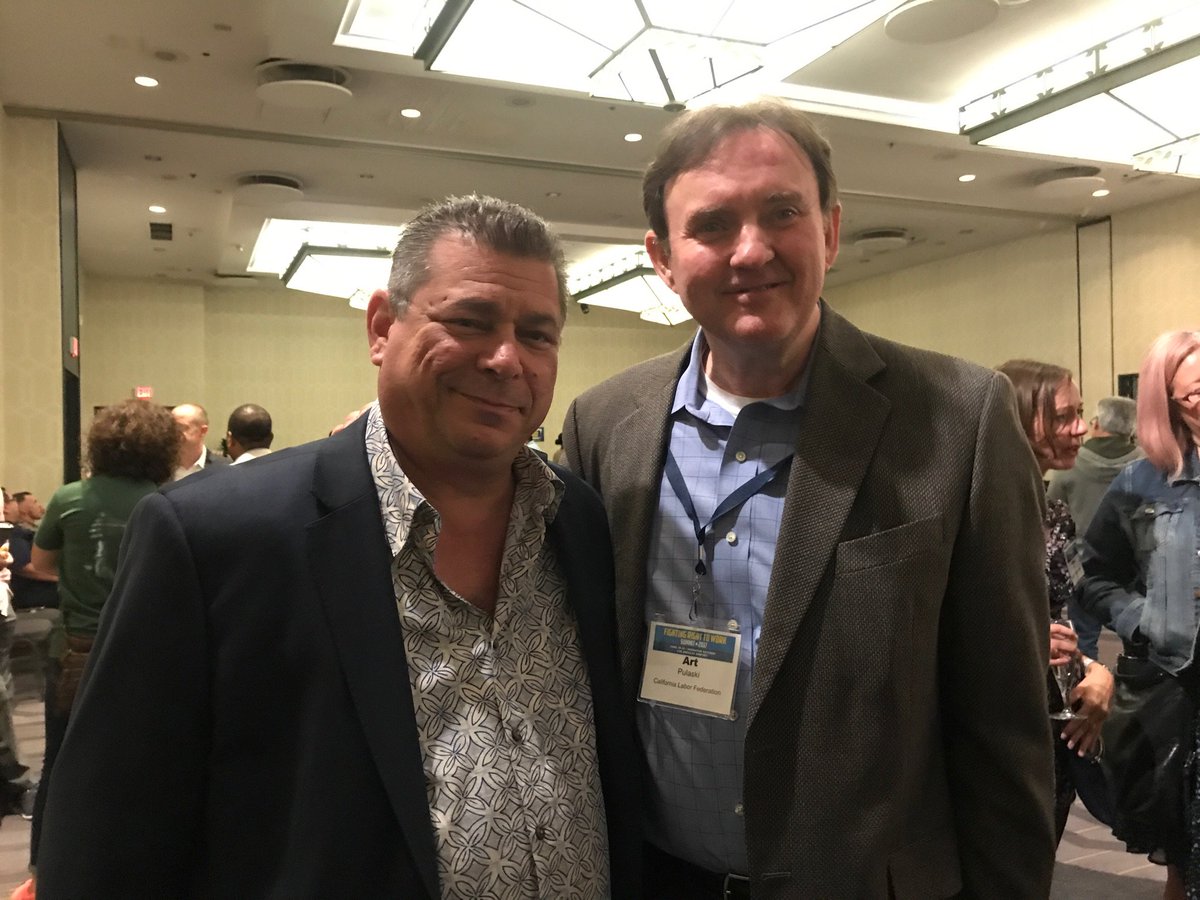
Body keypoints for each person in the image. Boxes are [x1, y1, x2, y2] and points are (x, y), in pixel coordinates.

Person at [36, 195, 640, 898]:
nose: (507, 359)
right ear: (382, 327)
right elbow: (105, 837)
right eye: (470, 321)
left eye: (537, 335)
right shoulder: (214, 538)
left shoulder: (577, 521)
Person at [564, 100, 1055, 897]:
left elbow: (1005, 725)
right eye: (712, 224)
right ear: (662, 257)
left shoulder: (960, 419)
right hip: (656, 878)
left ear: (830, 229)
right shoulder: (604, 423)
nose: (751, 249)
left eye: (782, 212)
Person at [18, 399, 179, 898]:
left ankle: (45, 870)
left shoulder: (69, 498)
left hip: (75, 651)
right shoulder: (168, 500)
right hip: (145, 649)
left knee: (60, 762)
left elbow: (41, 565)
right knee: (141, 762)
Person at [1079, 330, 1200, 900]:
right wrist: (1142, 618)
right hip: (1177, 693)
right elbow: (1092, 574)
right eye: (1196, 393)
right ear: (1167, 404)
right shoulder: (1141, 482)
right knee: (1184, 858)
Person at [996, 359, 1115, 841]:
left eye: (1080, 413)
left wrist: (1096, 671)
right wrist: (1019, 644)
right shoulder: (971, 512)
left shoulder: (1055, 514)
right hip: (995, 731)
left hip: (1052, 724)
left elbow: (1060, 618)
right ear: (1020, 420)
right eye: (1064, 416)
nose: (1081, 428)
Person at [1047, 395, 1142, 657]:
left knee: (1082, 641)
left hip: (1083, 568)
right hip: (1134, 569)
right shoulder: (1145, 465)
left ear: (1098, 423)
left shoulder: (1070, 463)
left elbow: (1051, 512)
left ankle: (1088, 679)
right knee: (1137, 638)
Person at [171, 402, 229, 480]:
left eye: (181, 427)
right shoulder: (158, 467)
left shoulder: (224, 468)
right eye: (171, 427)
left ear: (203, 431)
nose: (174, 432)